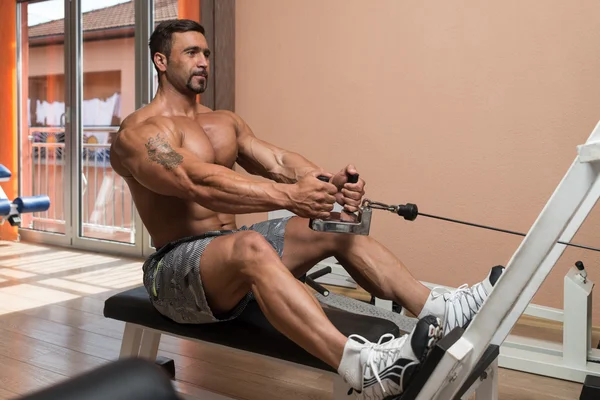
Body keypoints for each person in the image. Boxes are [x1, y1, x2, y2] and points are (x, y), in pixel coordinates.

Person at [110, 19, 505, 399]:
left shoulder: (223, 122)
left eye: (207, 53)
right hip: (175, 270)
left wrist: (327, 185)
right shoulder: (139, 134)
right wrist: (288, 198)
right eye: (191, 52)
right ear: (161, 61)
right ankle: (364, 369)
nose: (203, 62)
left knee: (331, 224)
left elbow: (279, 163)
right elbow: (197, 182)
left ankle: (440, 308)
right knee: (249, 245)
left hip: (232, 253)